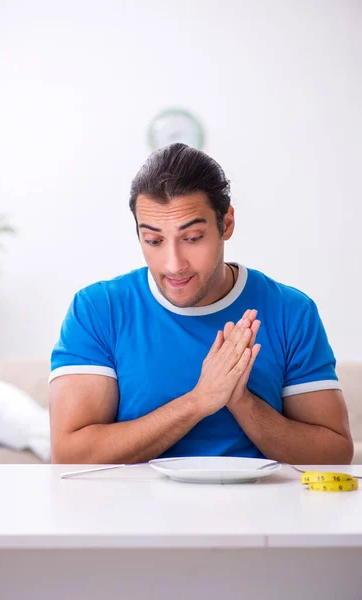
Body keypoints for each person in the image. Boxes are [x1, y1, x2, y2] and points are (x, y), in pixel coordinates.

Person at [49, 143, 353, 465]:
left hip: (260, 512)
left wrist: (242, 402)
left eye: (193, 238)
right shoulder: (98, 310)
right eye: (153, 240)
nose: (173, 264)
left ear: (227, 224)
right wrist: (199, 401)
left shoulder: (291, 312)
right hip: (132, 512)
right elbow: (71, 454)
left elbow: (334, 453)